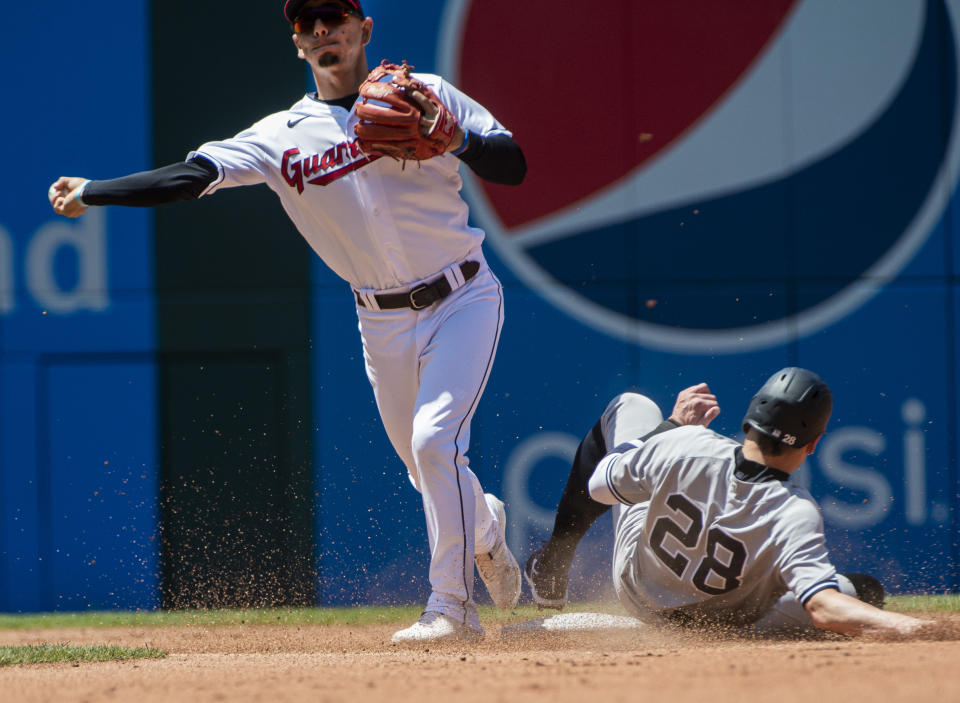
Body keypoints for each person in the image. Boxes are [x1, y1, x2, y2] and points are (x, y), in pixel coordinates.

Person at [48, 0, 526, 644]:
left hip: (463, 297)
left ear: (364, 30)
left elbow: (513, 163)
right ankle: (485, 527)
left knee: (434, 442)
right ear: (297, 44)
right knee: (426, 469)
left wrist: (459, 139)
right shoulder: (283, 134)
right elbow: (195, 176)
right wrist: (95, 189)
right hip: (379, 320)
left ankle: (451, 608)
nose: (321, 30)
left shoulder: (426, 95)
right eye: (307, 24)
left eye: (333, 16)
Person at [524, 368, 929, 637]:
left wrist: (669, 428)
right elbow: (825, 608)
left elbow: (599, 485)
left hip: (636, 590)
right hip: (725, 623)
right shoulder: (794, 510)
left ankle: (553, 563)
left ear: (748, 420)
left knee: (632, 405)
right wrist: (914, 628)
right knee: (859, 590)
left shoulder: (684, 444)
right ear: (814, 444)